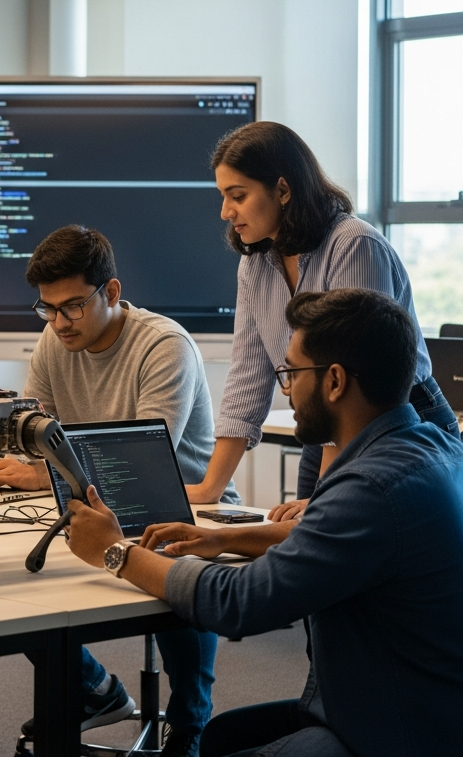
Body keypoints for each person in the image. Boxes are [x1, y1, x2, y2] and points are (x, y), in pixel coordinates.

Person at [63, 288, 463, 757]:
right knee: (221, 736)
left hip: (391, 730)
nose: (285, 389)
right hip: (419, 700)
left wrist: (116, 552)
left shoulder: (370, 486)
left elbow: (239, 602)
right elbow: (334, 542)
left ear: (334, 381)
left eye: (291, 373)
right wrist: (224, 538)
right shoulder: (433, 446)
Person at [0, 226, 233, 757]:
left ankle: (191, 726)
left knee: (173, 566)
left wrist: (47, 474)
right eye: (48, 309)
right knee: (17, 576)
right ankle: (94, 690)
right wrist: (38, 467)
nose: (59, 322)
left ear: (112, 292)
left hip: (188, 504)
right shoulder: (54, 341)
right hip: (90, 499)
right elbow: (38, 434)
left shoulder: (164, 344)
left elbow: (143, 455)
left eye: (73, 307)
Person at [185, 121, 459, 509]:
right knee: (310, 544)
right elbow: (248, 373)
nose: (225, 211)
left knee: (336, 541)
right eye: (223, 196)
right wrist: (210, 488)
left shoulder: (353, 245)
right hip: (325, 422)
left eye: (238, 195)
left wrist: (324, 499)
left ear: (282, 190)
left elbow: (353, 383)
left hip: (397, 423)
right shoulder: (256, 263)